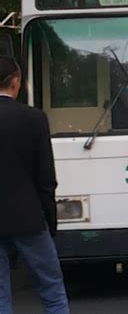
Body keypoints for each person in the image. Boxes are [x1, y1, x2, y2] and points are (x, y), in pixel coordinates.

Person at [0, 56, 69, 314]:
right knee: (52, 290)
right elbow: (46, 179)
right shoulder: (34, 118)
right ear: (16, 82)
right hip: (28, 220)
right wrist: (50, 222)